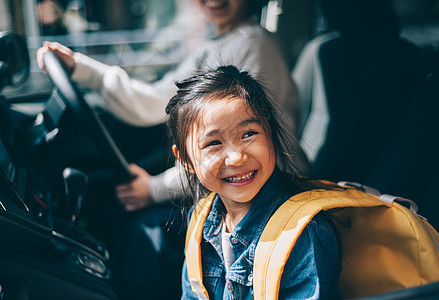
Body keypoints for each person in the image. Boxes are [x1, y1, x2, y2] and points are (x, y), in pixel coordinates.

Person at [36, 0, 305, 212]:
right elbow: (157, 101)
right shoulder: (216, 45)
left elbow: (244, 151)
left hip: (266, 193)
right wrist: (81, 68)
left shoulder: (255, 46)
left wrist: (153, 189)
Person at [166, 65, 341, 299]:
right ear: (185, 160)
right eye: (213, 143)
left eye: (248, 134)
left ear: (271, 132)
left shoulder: (302, 232)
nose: (237, 157)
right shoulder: (200, 218)